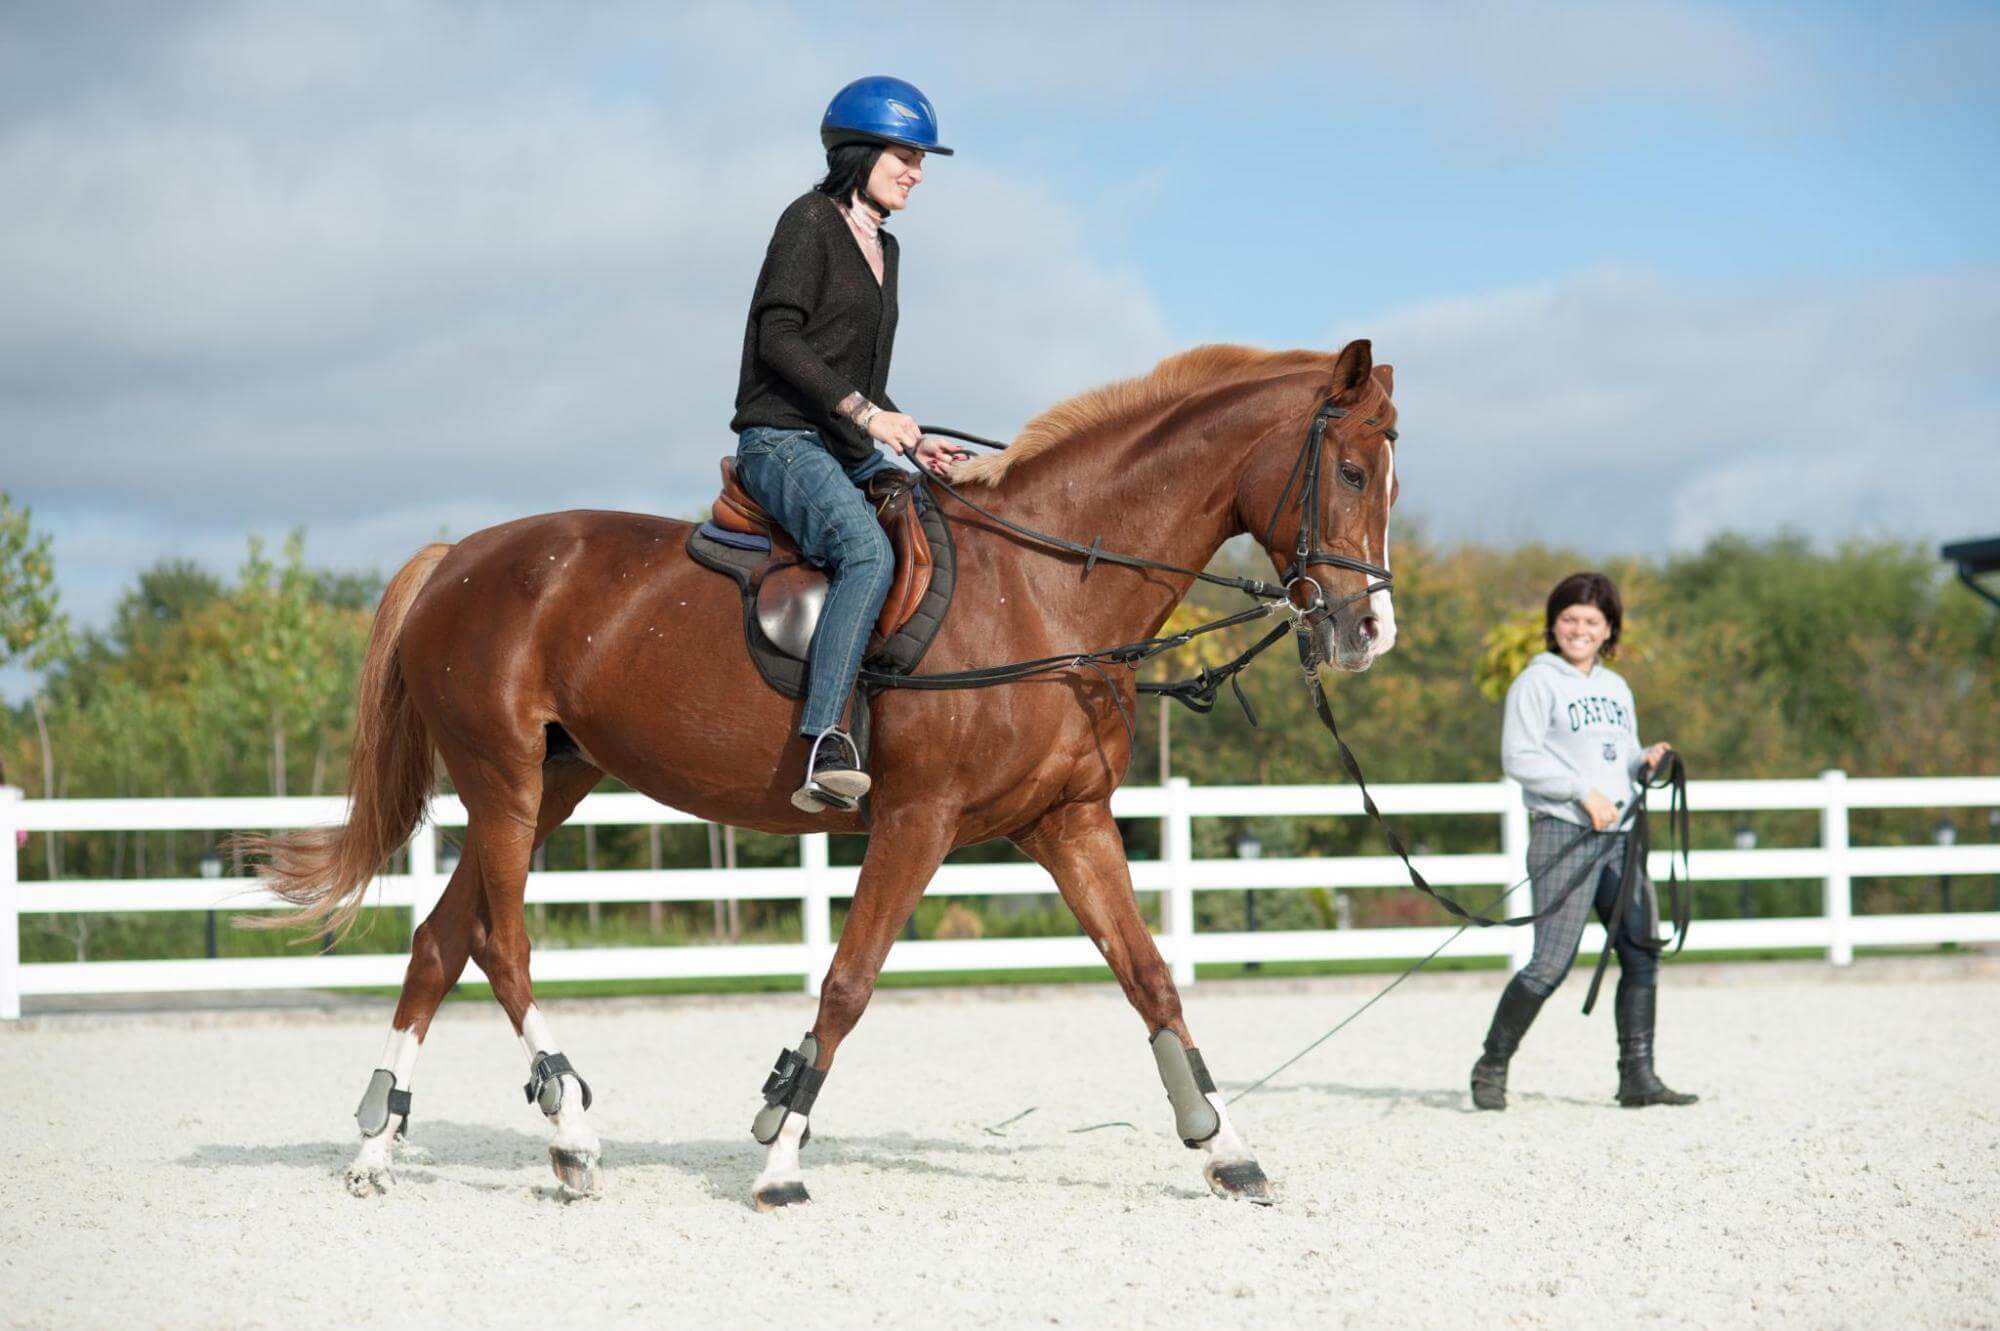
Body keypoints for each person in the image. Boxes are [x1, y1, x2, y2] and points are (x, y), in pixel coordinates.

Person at [729, 76, 968, 813]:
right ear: (859, 152)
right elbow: (779, 338)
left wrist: (914, 438)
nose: (917, 173)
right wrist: (869, 416)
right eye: (905, 155)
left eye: (922, 160)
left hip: (841, 440)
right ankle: (826, 736)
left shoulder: (886, 249)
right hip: (782, 438)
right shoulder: (807, 221)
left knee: (946, 520)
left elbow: (856, 374)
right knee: (867, 551)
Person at [1470, 572, 1699, 1110]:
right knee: (1550, 962)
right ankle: (1492, 1064)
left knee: (1641, 952)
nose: (1579, 629)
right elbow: (1519, 757)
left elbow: (1616, 756)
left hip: (1620, 837)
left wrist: (1643, 761)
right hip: (1563, 832)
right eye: (1569, 618)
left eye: (1591, 621)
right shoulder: (1536, 682)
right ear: (1554, 624)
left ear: (1608, 629)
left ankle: (1637, 1077)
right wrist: (1581, 793)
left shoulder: (1616, 688)